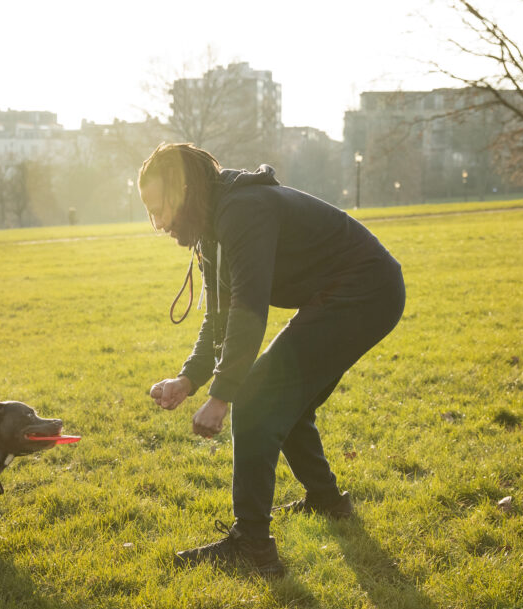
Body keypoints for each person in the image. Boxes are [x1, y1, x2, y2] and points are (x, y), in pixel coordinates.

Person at [139, 143, 405, 577]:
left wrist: (223, 396)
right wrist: (188, 380)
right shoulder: (214, 225)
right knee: (284, 401)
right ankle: (328, 502)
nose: (158, 223)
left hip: (365, 292)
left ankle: (253, 547)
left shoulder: (243, 212)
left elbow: (249, 310)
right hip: (344, 294)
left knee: (258, 399)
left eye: (159, 207)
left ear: (184, 190)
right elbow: (220, 317)